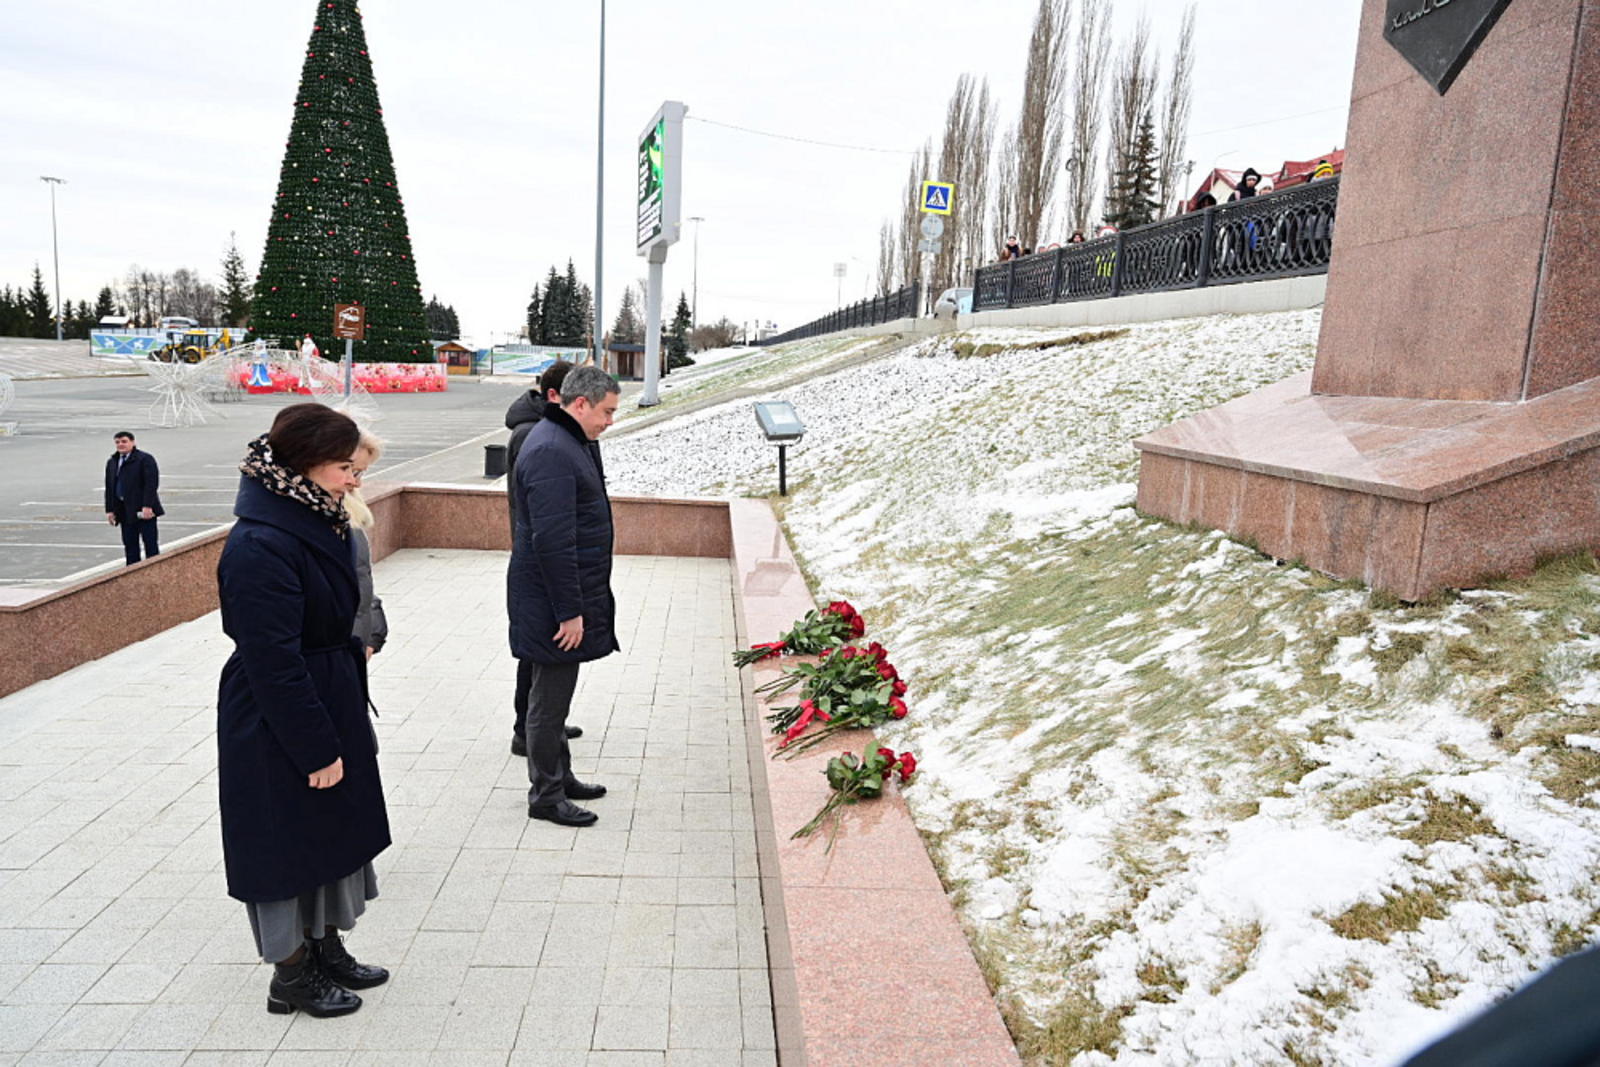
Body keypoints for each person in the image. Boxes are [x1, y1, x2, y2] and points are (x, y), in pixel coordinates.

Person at [216, 403, 392, 1019]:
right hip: (279, 716)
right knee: (285, 845)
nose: (355, 480)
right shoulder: (261, 543)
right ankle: (290, 975)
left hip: (326, 691)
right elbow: (272, 663)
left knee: (332, 834)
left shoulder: (313, 515)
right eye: (345, 467)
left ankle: (325, 947)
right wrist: (316, 748)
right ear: (305, 465)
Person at [507, 364, 621, 828]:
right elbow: (553, 542)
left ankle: (561, 775)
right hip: (549, 600)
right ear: (580, 404)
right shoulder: (554, 450)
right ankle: (546, 795)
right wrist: (569, 612)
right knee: (548, 698)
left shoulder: (568, 441)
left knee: (555, 694)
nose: (610, 421)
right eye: (607, 411)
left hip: (548, 595)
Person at [504, 361, 590, 755]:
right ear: (556, 396)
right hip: (538, 564)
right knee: (537, 658)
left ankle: (544, 728)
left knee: (544, 662)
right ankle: (529, 730)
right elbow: (545, 516)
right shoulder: (537, 437)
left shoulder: (560, 433)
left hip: (543, 561)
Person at [347, 430, 388, 664]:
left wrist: (372, 635)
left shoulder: (348, 515)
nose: (357, 482)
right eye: (351, 471)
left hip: (351, 653)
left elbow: (361, 582)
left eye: (361, 472)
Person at [104, 431, 163, 565]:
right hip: (124, 510)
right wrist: (110, 509)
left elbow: (151, 484)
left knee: (150, 544)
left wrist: (147, 505)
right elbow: (109, 486)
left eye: (124, 441)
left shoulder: (144, 459)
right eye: (117, 442)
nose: (120, 445)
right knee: (130, 546)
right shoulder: (113, 462)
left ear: (132, 442)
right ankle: (132, 576)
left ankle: (154, 574)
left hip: (142, 509)